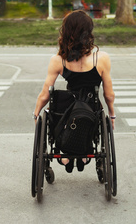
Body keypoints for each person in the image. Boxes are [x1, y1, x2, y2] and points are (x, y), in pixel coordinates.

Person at [33, 10, 116, 172]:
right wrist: (112, 115)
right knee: (92, 117)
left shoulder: (58, 60)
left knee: (57, 114)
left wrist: (36, 113)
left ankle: (65, 154)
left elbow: (45, 93)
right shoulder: (102, 58)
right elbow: (109, 95)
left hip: (66, 109)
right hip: (92, 109)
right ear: (89, 32)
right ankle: (85, 153)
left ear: (66, 32)